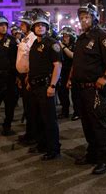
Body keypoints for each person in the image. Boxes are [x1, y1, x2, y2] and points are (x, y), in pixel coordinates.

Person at [69, 3, 106, 175]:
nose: (83, 20)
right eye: (81, 17)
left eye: (86, 17)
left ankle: (104, 159)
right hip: (81, 88)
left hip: (96, 89)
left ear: (94, 18)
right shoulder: (81, 38)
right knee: (87, 124)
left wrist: (104, 78)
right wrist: (71, 78)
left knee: (99, 124)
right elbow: (77, 63)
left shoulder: (102, 36)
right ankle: (91, 154)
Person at [27, 12, 63, 160]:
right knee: (38, 118)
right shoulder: (35, 44)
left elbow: (57, 65)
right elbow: (33, 65)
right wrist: (29, 81)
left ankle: (54, 149)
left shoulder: (52, 43)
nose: (40, 27)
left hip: (46, 86)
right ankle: (42, 144)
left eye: (43, 25)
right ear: (33, 28)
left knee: (49, 120)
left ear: (47, 27)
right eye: (37, 25)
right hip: (35, 86)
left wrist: (52, 86)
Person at [16, 11, 38, 145]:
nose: (21, 25)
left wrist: (29, 76)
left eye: (23, 23)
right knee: (27, 107)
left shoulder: (33, 37)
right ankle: (29, 133)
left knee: (31, 109)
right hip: (22, 76)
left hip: (29, 76)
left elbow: (33, 59)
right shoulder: (25, 37)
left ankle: (33, 136)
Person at [57, 26, 78, 120]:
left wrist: (64, 47)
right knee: (62, 93)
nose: (64, 38)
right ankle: (65, 111)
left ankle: (77, 112)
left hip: (73, 71)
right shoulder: (61, 45)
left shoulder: (75, 45)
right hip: (63, 71)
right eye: (64, 36)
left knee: (75, 94)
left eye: (67, 36)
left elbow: (72, 56)